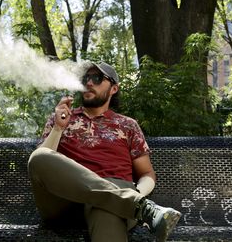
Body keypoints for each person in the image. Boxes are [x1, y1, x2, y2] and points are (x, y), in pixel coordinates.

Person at [28, 61, 181, 242]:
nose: (89, 83)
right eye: (86, 78)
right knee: (38, 156)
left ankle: (131, 202)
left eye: (97, 78)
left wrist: (137, 192)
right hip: (65, 203)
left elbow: (147, 173)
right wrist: (58, 128)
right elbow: (42, 166)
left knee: (107, 207)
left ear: (114, 89)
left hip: (113, 203)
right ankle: (140, 208)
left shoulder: (127, 125)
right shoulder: (61, 117)